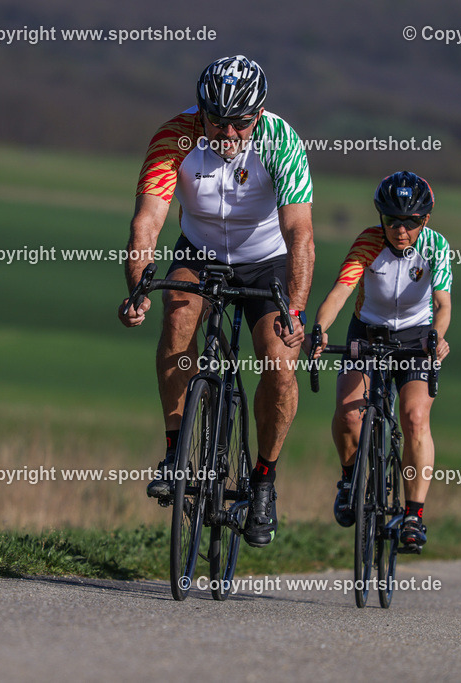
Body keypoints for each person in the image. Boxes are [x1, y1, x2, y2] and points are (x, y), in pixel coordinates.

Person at [117, 55, 314, 547]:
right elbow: (147, 221)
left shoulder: (280, 141)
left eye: (240, 123)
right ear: (200, 111)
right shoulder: (175, 137)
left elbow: (300, 235)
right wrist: (139, 284)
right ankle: (174, 449)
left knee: (279, 362)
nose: (227, 133)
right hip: (198, 251)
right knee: (179, 314)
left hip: (265, 259)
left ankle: (263, 481)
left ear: (259, 114)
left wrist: (294, 308)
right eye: (216, 120)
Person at [305, 171, 451, 551]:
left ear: (425, 221)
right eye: (391, 220)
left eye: (410, 222)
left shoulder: (436, 246)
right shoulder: (368, 243)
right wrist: (320, 328)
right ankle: (349, 479)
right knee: (350, 412)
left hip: (416, 338)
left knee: (416, 417)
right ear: (380, 218)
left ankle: (414, 515)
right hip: (367, 332)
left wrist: (438, 336)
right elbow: (341, 291)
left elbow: (443, 305)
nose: (400, 230)